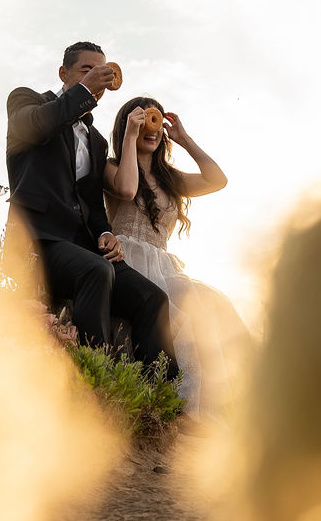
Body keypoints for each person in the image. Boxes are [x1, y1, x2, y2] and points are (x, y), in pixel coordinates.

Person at [5, 42, 179, 377]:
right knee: (95, 271)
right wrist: (85, 90)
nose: (98, 77)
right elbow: (38, 125)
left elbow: (93, 204)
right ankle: (97, 378)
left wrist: (105, 232)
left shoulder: (96, 141)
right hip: (39, 242)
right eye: (87, 70)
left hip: (85, 247)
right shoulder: (27, 101)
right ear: (63, 74)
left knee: (152, 298)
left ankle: (158, 393)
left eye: (103, 71)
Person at [104, 97, 248, 419]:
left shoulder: (171, 179)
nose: (149, 129)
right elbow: (127, 191)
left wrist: (184, 139)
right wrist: (130, 134)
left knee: (214, 304)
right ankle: (182, 408)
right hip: (128, 261)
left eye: (153, 122)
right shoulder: (113, 167)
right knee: (181, 312)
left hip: (164, 265)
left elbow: (217, 180)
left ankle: (227, 406)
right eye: (141, 121)